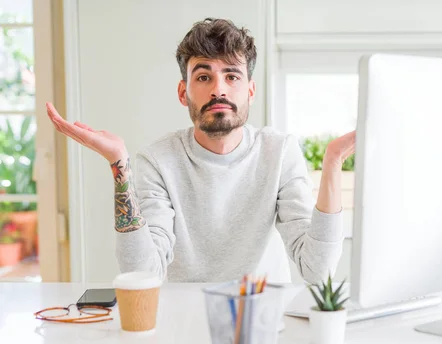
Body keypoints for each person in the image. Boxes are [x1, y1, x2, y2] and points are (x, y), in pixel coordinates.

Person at [46, 18, 355, 283]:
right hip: (182, 321)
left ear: (250, 90)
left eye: (232, 76)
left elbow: (318, 270)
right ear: (184, 92)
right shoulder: (157, 161)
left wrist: (333, 162)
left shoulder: (280, 152)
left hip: (261, 316)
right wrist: (119, 165)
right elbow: (143, 271)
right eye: (204, 77)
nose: (218, 89)